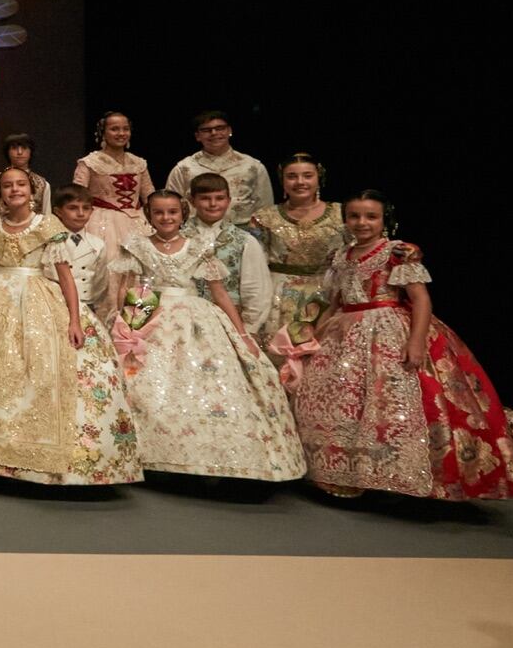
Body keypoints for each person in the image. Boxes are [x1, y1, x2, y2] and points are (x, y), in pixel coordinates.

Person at [293, 190, 513, 500]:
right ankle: (344, 473)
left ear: (384, 220)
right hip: (343, 330)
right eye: (354, 216)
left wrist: (416, 343)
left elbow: (420, 299)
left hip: (387, 329)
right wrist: (316, 337)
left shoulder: (397, 253)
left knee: (389, 401)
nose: (362, 222)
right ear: (345, 219)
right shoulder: (340, 256)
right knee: (341, 402)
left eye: (371, 216)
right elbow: (336, 301)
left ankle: (395, 475)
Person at [0, 168, 140, 485]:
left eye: (20, 184)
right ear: (0, 193)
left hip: (36, 296)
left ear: (32, 190)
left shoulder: (47, 225)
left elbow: (65, 276)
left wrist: (75, 319)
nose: (14, 190)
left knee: (36, 367)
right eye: (7, 186)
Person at [104, 190, 303, 481]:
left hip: (195, 318)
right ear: (149, 216)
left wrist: (241, 332)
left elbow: (219, 292)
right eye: (159, 212)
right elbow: (128, 287)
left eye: (172, 212)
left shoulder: (198, 246)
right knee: (145, 379)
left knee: (208, 382)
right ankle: (148, 454)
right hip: (151, 314)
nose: (166, 218)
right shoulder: (137, 245)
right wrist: (127, 321)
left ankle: (208, 457)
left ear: (183, 213)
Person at [248, 153, 348, 359]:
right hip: (278, 293)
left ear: (318, 178)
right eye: (292, 176)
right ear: (283, 181)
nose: (300, 182)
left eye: (307, 176)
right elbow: (253, 260)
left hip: (327, 292)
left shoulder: (342, 213)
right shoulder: (264, 217)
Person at [185, 173, 273, 342]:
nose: (213, 204)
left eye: (219, 198)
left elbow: (256, 288)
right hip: (188, 321)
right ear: (192, 200)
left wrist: (248, 329)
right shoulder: (179, 238)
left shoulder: (244, 240)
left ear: (228, 200)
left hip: (230, 325)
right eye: (205, 198)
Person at [164, 109, 273, 226]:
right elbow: (170, 205)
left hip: (243, 233)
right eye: (206, 130)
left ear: (229, 131)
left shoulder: (252, 166)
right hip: (194, 235)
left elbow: (265, 209)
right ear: (197, 136)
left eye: (220, 128)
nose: (214, 133)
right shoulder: (184, 168)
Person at [71, 112, 154, 257]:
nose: (121, 133)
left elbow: (150, 197)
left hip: (138, 221)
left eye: (125, 129)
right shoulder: (90, 163)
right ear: (103, 133)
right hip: (101, 223)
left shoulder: (138, 163)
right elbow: (77, 196)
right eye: (114, 129)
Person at [46, 186, 108, 313]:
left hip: (86, 304)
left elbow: (101, 281)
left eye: (86, 208)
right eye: (73, 208)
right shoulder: (50, 242)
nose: (80, 213)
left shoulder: (97, 244)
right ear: (58, 211)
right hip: (54, 304)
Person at [0, 133, 51, 214]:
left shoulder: (43, 184)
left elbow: (47, 217)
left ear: (31, 151)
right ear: (7, 152)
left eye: (24, 148)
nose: (19, 152)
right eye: (14, 148)